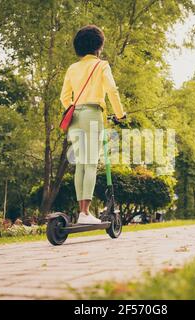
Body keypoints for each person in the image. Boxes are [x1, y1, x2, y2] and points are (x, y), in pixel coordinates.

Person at [60, 25, 126, 224]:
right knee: (90, 164)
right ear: (98, 46)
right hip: (92, 114)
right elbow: (112, 90)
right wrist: (120, 114)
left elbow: (64, 97)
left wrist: (74, 108)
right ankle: (85, 214)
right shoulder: (101, 65)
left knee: (80, 164)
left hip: (75, 117)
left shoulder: (72, 68)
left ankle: (82, 212)